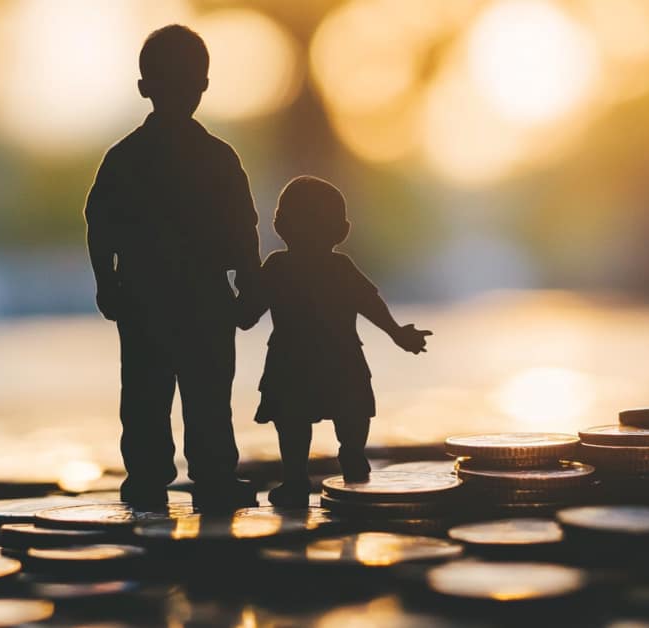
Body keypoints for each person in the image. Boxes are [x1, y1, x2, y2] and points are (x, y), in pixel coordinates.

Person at [84, 25, 259, 510]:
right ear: (204, 85)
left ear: (144, 86)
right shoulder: (219, 159)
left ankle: (150, 476)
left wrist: (107, 283)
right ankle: (211, 474)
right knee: (201, 396)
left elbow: (99, 223)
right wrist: (250, 288)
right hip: (200, 301)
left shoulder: (124, 158)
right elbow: (243, 230)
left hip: (146, 300)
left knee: (148, 395)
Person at [237, 175, 431, 507]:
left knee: (293, 420)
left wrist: (238, 291)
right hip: (341, 357)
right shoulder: (340, 266)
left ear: (280, 224)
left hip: (291, 360)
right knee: (350, 411)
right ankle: (351, 454)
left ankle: (296, 478)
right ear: (342, 230)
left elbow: (246, 316)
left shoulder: (278, 267)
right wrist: (397, 333)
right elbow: (370, 303)